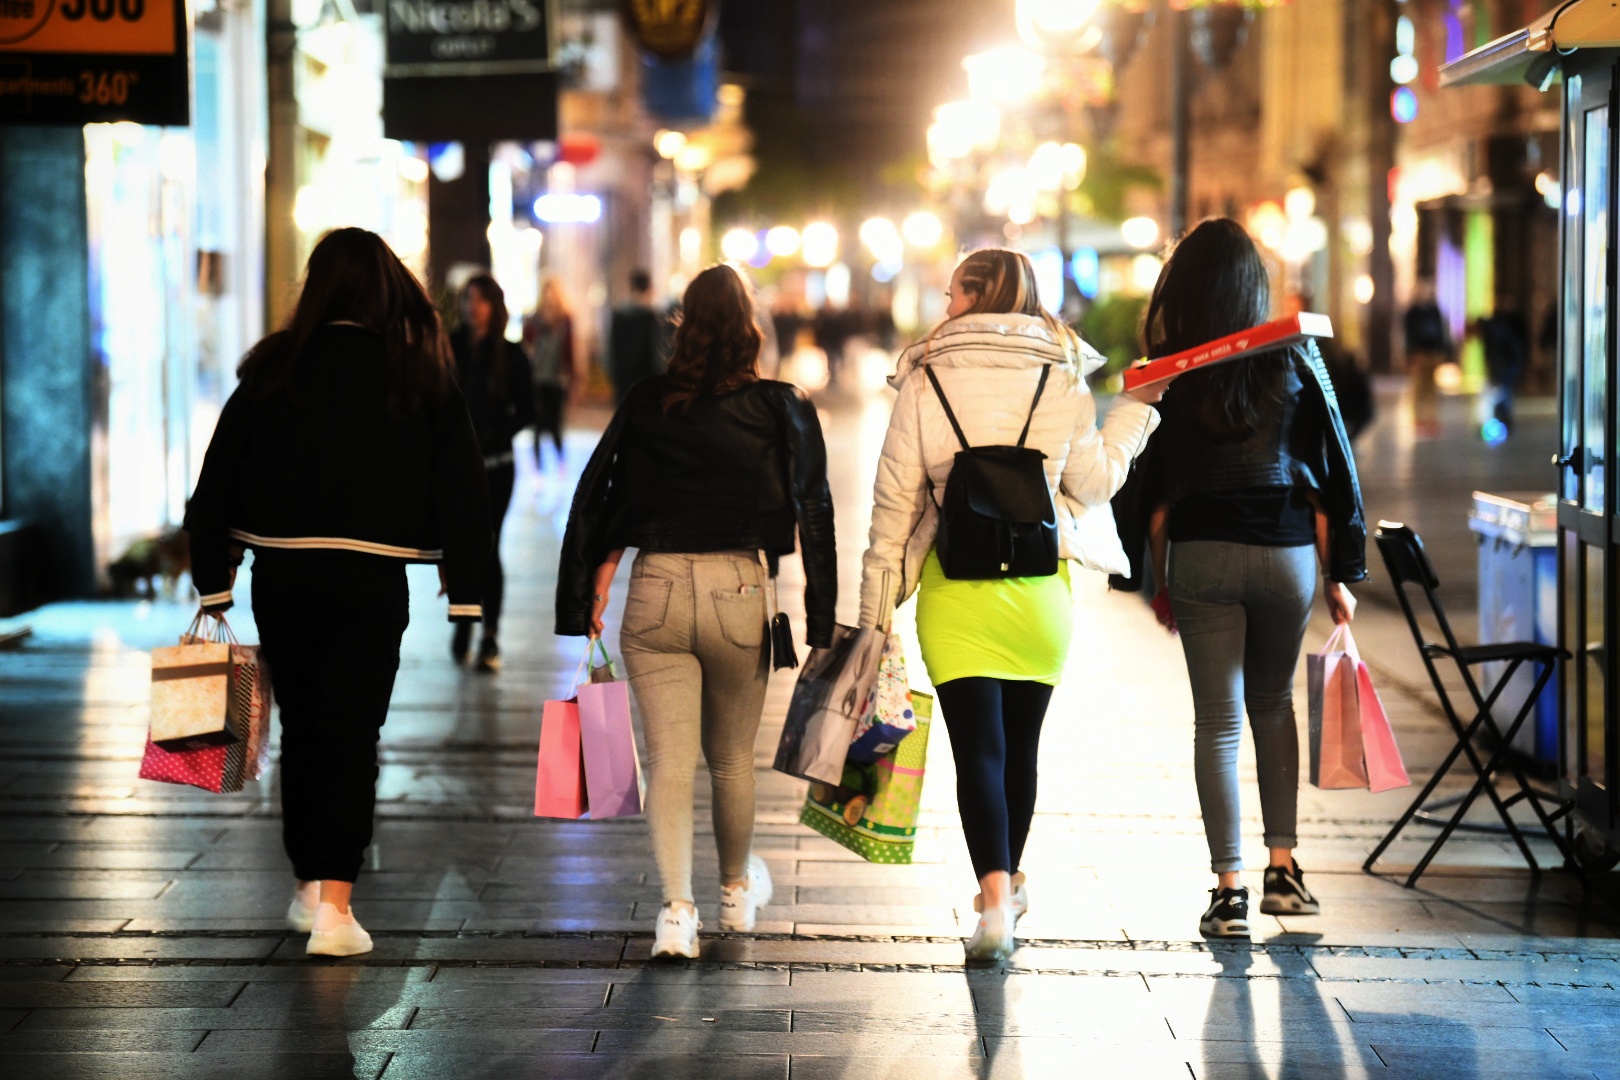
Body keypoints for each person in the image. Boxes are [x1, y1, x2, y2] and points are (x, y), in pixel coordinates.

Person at [183, 227, 490, 957]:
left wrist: (213, 580)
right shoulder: (417, 371)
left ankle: (303, 886)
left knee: (303, 731)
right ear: (386, 290)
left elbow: (216, 480)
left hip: (283, 577)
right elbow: (463, 485)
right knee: (352, 734)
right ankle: (335, 909)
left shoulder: (273, 368)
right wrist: (466, 589)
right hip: (370, 580)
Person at [858, 247, 1165, 961]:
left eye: (950, 294)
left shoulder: (924, 379)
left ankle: (995, 899)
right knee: (1020, 752)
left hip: (954, 591)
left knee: (979, 755)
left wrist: (875, 610)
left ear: (975, 296)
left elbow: (893, 506)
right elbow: (1092, 483)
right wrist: (1134, 413)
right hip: (1039, 593)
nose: (944, 306)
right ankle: (1010, 885)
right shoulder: (1062, 377)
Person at [556, 263, 836, 960]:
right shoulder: (782, 404)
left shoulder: (651, 400)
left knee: (669, 762)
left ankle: (676, 913)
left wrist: (590, 591)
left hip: (656, 593)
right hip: (739, 591)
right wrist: (822, 618)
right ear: (752, 330)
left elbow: (606, 493)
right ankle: (736, 895)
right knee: (733, 762)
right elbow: (816, 508)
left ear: (681, 327)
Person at [1136, 218, 1367, 938]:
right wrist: (1341, 574)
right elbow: (1333, 476)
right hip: (1286, 555)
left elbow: (1153, 490)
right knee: (1274, 708)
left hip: (1202, 552)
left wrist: (1157, 579)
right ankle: (1284, 873)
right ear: (1251, 288)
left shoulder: (1168, 375)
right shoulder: (1295, 362)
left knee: (1218, 722)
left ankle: (1228, 891)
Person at [449, 273, 534, 672]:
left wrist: (498, 434)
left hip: (497, 466)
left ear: (493, 306)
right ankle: (465, 619)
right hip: (456, 467)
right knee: (459, 546)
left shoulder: (510, 354)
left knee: (488, 545)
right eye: (468, 299)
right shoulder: (451, 348)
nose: (473, 307)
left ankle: (489, 634)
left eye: (480, 300)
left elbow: (529, 409)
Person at [525, 278, 577, 471]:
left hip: (556, 379)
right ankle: (538, 465)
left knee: (555, 424)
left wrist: (571, 376)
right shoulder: (534, 320)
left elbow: (569, 350)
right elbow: (526, 346)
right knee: (537, 423)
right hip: (537, 377)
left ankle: (560, 460)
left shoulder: (565, 319)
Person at [606, 269, 666, 402]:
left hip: (622, 380)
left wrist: (613, 375)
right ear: (649, 288)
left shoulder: (619, 315)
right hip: (646, 380)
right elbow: (656, 351)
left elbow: (610, 349)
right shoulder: (652, 317)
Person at [1403, 280, 1451, 437]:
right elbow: (1408, 334)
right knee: (1418, 388)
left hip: (1433, 352)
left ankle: (1431, 420)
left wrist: (1442, 350)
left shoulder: (1435, 311)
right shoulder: (1412, 313)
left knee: (1432, 388)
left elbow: (1441, 332)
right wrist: (1411, 354)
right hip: (1419, 354)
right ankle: (1419, 420)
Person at [1475, 298, 1529, 435]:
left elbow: (1510, 351)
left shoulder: (1496, 332)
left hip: (1506, 366)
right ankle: (1501, 421)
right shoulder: (1495, 330)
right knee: (1501, 394)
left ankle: (1502, 421)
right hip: (1504, 366)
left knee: (1502, 394)